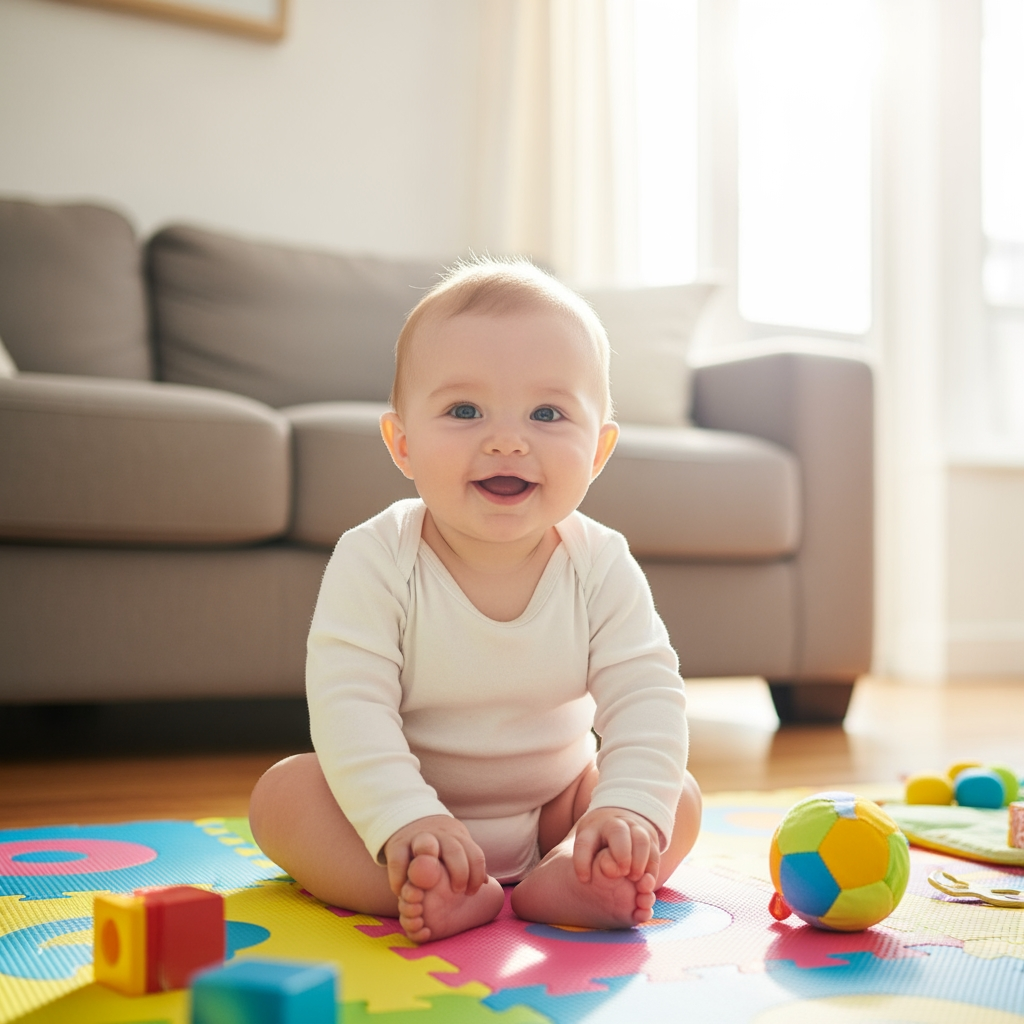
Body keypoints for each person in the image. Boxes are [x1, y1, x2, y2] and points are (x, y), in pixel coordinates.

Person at [249, 258, 702, 943]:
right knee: (283, 796)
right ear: (401, 443)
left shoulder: (599, 562)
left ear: (599, 450)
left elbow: (646, 695)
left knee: (677, 799)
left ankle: (573, 871)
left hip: (554, 804)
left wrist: (625, 814)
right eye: (464, 411)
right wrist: (407, 821)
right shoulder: (377, 558)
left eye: (548, 413)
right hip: (394, 818)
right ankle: (418, 886)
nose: (508, 440)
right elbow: (350, 707)